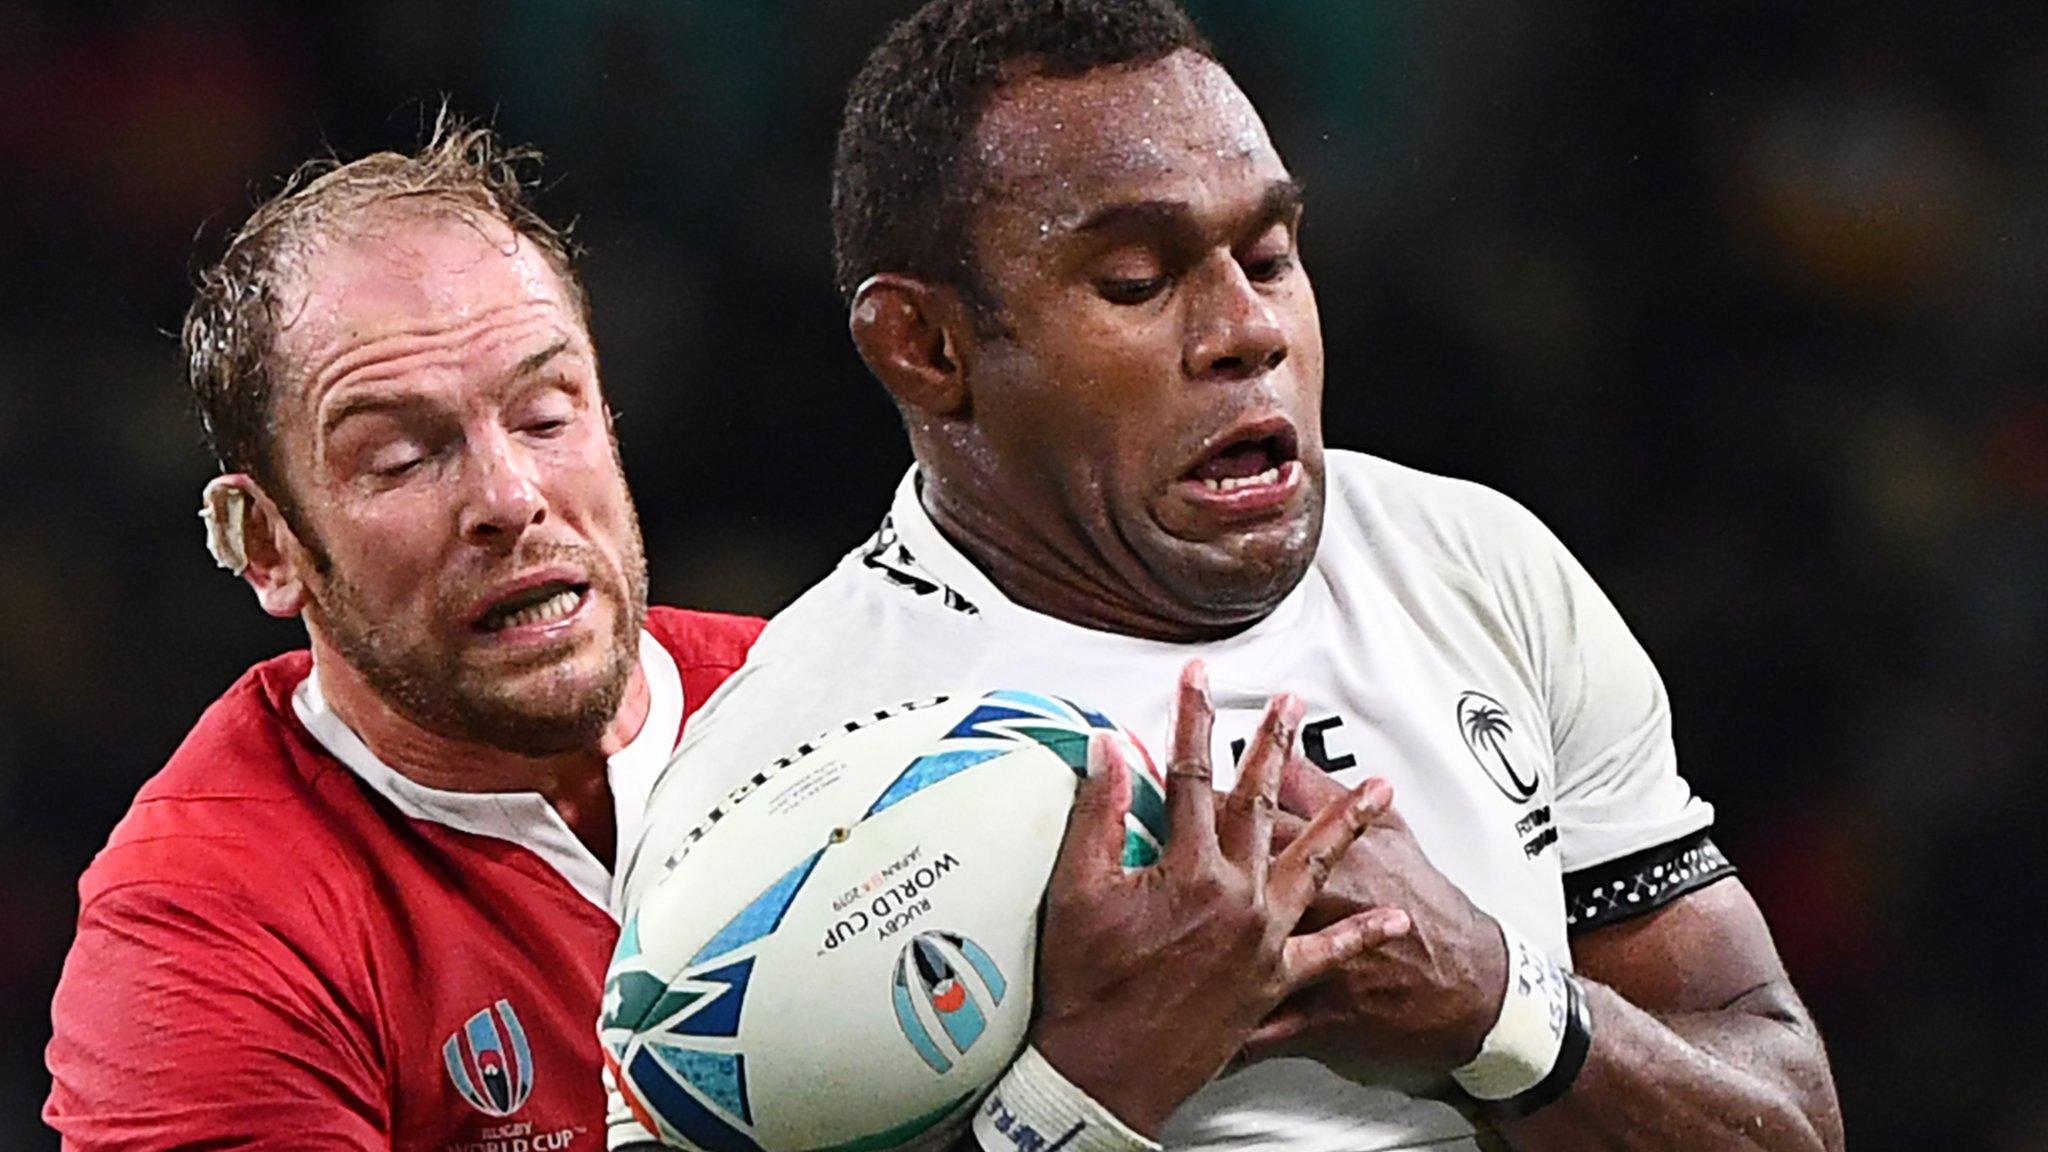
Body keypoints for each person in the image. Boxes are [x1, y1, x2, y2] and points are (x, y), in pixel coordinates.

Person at [609, 2, 1845, 1151]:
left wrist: (1493, 1005)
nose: (1246, 330)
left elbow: (1785, 1118)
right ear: (925, 347)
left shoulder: (1470, 563)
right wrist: (1086, 1084)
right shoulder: (790, 779)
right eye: (1137, 283)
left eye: (1266, 255)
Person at [44, 118, 762, 1151]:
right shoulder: (205, 926)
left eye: (546, 415)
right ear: (267, 544)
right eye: (400, 457)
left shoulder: (838, 708)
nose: (509, 499)